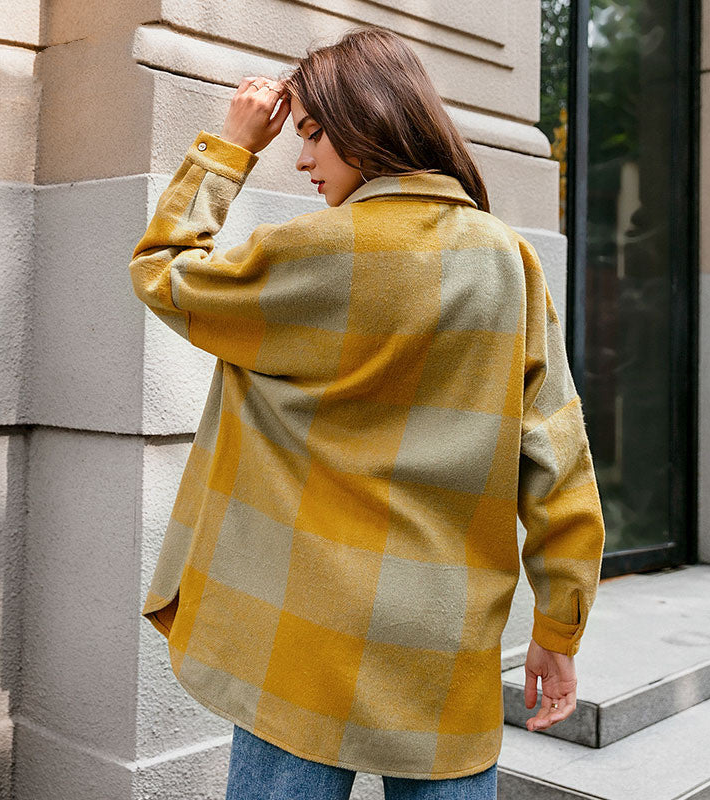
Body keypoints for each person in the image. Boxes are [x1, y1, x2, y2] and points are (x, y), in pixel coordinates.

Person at [129, 25, 606, 800]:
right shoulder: (507, 261)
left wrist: (232, 147)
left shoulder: (309, 253)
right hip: (443, 649)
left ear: (371, 121)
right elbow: (558, 458)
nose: (303, 157)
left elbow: (163, 271)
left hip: (301, 644)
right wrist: (558, 626)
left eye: (314, 134)